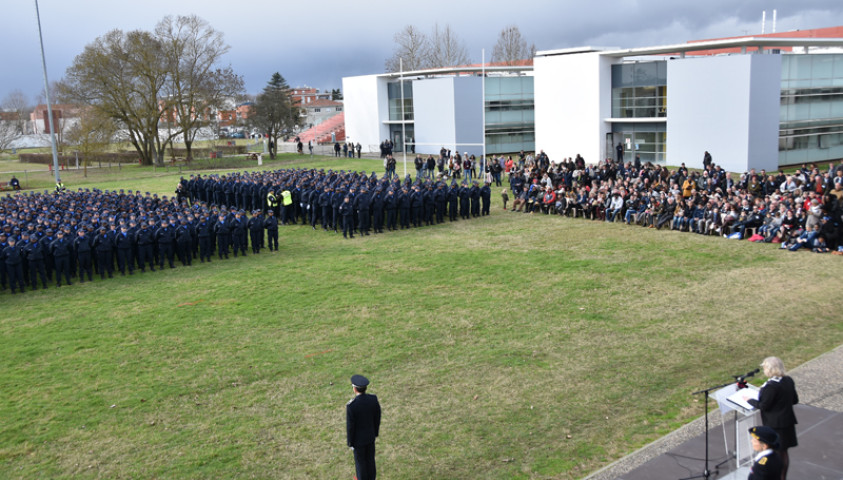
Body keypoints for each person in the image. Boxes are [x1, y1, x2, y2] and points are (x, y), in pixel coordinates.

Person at [747, 356, 798, 480]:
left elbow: (763, 405)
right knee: (783, 452)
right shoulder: (788, 380)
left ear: (770, 369)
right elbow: (795, 400)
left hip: (775, 424)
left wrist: (749, 400)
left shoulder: (771, 386)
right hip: (787, 422)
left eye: (765, 367)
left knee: (775, 454)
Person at [347, 374, 380, 480]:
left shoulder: (352, 406)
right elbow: (377, 417)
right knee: (370, 461)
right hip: (370, 437)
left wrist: (350, 442)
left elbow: (350, 427)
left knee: (360, 464)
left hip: (358, 441)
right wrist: (375, 432)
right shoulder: (373, 399)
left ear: (354, 389)